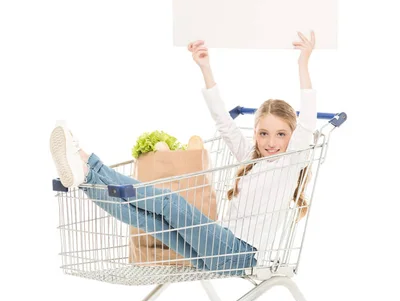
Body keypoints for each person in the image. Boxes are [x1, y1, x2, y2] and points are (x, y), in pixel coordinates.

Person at [50, 30, 316, 276]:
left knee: (169, 203)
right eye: (263, 133)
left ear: (292, 137)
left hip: (242, 253)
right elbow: (223, 120)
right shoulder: (249, 157)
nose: (271, 142)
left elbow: (308, 121)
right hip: (219, 247)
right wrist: (205, 67)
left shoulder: (292, 161)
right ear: (255, 134)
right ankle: (86, 178)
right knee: (149, 220)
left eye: (281, 134)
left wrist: (303, 63)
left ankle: (88, 160)